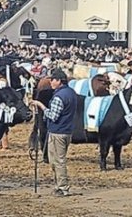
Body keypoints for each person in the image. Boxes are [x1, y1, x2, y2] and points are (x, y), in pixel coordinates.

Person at [29, 68, 77, 197]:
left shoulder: (59, 97)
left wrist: (41, 106)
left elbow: (53, 116)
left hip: (57, 131)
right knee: (56, 159)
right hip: (67, 130)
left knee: (58, 160)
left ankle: (62, 187)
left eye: (53, 80)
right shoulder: (71, 93)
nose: (51, 82)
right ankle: (59, 185)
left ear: (59, 81)